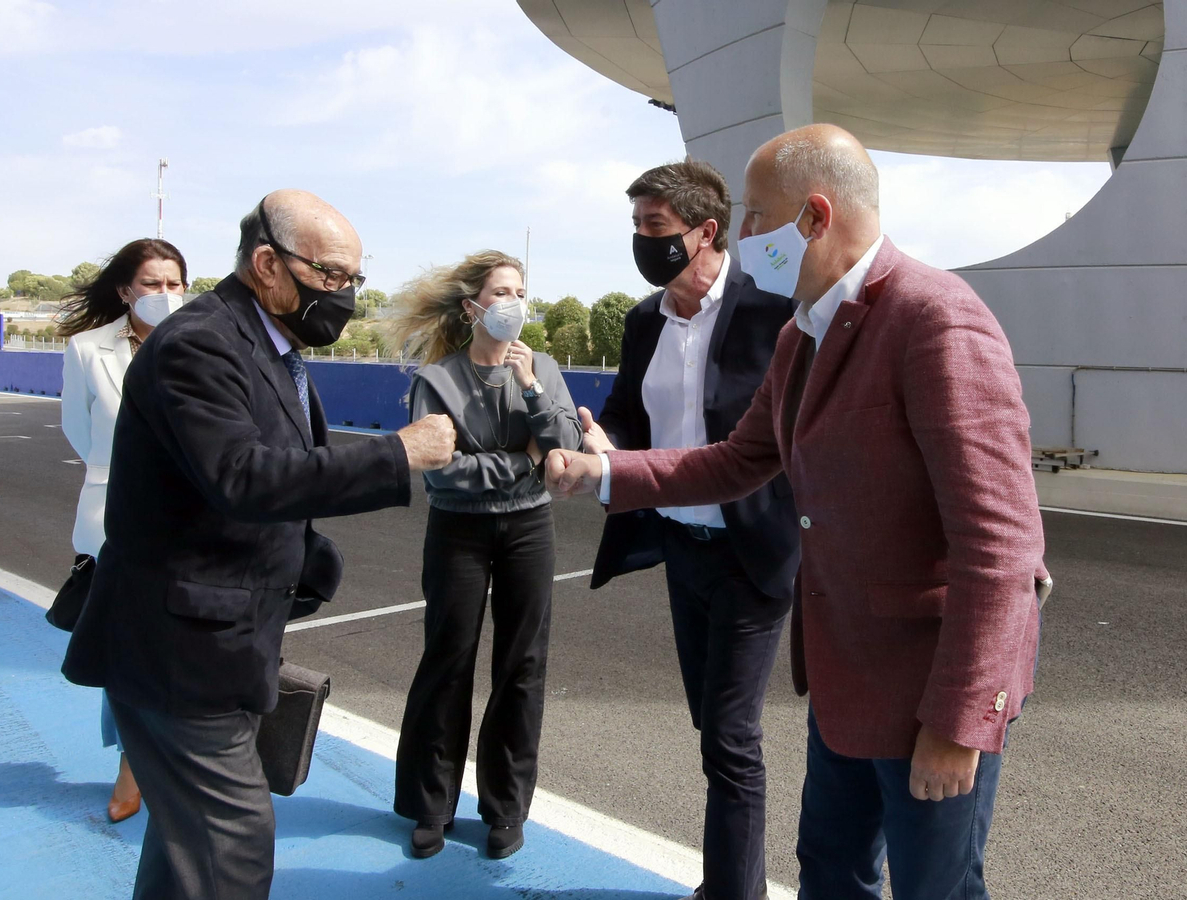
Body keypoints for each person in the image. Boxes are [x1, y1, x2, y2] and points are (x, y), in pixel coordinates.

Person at [547, 124, 1048, 900]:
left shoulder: (935, 319)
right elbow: (737, 461)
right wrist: (605, 473)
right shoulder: (801, 334)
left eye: (754, 217)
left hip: (929, 692)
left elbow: (1001, 546)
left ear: (815, 216)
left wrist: (960, 724)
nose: (744, 237)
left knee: (934, 889)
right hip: (847, 677)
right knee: (831, 875)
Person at [61, 190, 457, 900]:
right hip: (179, 652)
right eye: (331, 275)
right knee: (230, 849)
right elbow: (242, 475)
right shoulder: (201, 344)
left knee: (187, 850)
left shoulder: (272, 347)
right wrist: (396, 455)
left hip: (223, 642)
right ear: (267, 263)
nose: (344, 296)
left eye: (353, 281)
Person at [580, 159, 800, 900]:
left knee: (733, 738)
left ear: (705, 232)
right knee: (711, 728)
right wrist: (600, 439)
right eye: (636, 227)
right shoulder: (645, 321)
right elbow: (626, 414)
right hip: (681, 546)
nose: (642, 242)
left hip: (750, 551)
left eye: (655, 227)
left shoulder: (774, 313)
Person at [383, 251, 582, 861]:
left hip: (529, 529)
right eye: (500, 292)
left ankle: (505, 808)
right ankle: (430, 805)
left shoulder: (542, 367)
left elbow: (567, 448)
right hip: (459, 532)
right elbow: (444, 476)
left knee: (523, 667)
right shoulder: (437, 379)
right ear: (473, 307)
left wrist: (531, 389)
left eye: (519, 291)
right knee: (448, 659)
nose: (512, 304)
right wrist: (523, 460)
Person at [58, 237, 189, 824]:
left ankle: (184, 756)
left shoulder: (202, 344)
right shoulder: (88, 350)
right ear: (125, 291)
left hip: (192, 517)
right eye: (153, 284)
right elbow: (79, 433)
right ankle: (132, 762)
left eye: (175, 283)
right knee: (124, 649)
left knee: (185, 642)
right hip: (116, 518)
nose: (165, 295)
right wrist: (121, 481)